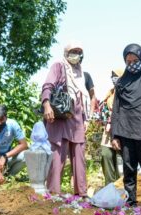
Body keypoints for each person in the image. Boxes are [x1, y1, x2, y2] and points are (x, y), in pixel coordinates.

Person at [41, 41, 96, 197]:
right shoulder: (58, 66)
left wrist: (86, 119)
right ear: (65, 53)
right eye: (72, 51)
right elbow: (47, 85)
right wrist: (46, 104)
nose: (75, 54)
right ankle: (53, 193)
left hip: (77, 118)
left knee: (79, 157)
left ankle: (81, 194)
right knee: (57, 157)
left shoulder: (82, 73)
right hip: (60, 118)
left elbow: (83, 98)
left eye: (78, 51)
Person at [111, 44, 141, 209]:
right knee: (129, 170)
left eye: (135, 60)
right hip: (125, 131)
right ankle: (130, 202)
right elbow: (115, 110)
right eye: (128, 61)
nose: (132, 64)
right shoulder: (121, 83)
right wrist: (114, 136)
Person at [100, 69, 123, 185]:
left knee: (120, 161)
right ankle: (109, 186)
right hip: (108, 133)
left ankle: (122, 187)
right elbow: (103, 110)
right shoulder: (110, 93)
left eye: (116, 76)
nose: (114, 78)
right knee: (106, 155)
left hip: (121, 132)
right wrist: (106, 120)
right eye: (112, 76)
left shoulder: (127, 92)